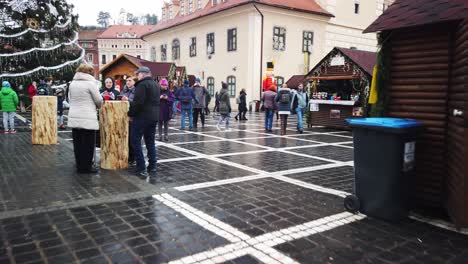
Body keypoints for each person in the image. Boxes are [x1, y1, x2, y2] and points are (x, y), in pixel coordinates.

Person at [67, 64, 103, 174]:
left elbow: (69, 99)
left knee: (78, 143)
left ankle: (79, 165)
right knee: (88, 144)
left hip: (74, 116)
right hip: (88, 117)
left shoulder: (72, 83)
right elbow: (98, 100)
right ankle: (87, 167)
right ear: (90, 73)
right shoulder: (90, 84)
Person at [127, 66, 160, 178]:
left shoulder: (142, 85)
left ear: (143, 74)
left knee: (135, 140)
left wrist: (130, 114)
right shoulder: (156, 84)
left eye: (138, 74)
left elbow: (138, 103)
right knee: (150, 142)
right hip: (154, 117)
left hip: (142, 117)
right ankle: (153, 166)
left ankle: (141, 167)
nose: (137, 76)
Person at [121, 76, 138, 166]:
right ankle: (127, 156)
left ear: (134, 82)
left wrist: (128, 100)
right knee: (125, 138)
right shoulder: (124, 90)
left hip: (132, 118)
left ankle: (133, 158)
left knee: (132, 139)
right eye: (127, 81)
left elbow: (136, 103)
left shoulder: (136, 91)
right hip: (123, 118)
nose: (127, 82)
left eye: (130, 80)